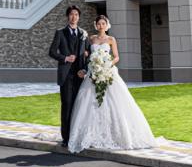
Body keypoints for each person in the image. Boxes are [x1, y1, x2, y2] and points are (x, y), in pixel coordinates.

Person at [66, 14, 157, 153]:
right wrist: (89, 65)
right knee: (90, 102)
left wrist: (107, 63)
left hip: (108, 71)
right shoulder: (91, 39)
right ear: (96, 25)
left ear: (106, 25)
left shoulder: (111, 39)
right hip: (93, 72)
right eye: (98, 24)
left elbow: (116, 56)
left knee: (115, 101)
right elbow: (86, 55)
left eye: (103, 23)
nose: (101, 26)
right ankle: (90, 134)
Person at [48, 5, 87, 148]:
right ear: (68, 16)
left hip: (80, 76)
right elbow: (52, 52)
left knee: (79, 107)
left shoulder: (83, 33)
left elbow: (88, 52)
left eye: (76, 14)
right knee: (67, 106)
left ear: (79, 17)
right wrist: (65, 58)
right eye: (71, 14)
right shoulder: (60, 33)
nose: (74, 17)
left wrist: (84, 67)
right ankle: (66, 138)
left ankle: (77, 135)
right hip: (66, 76)